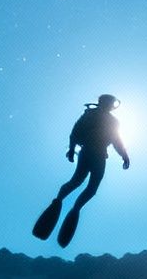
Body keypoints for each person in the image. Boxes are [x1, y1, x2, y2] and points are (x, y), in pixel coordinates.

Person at [31, 94, 129, 247]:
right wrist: (71, 149)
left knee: (86, 186)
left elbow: (116, 141)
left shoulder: (109, 120)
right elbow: (76, 132)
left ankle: (67, 205)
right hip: (92, 153)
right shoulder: (94, 116)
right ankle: (63, 204)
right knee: (80, 183)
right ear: (105, 103)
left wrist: (124, 156)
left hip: (95, 155)